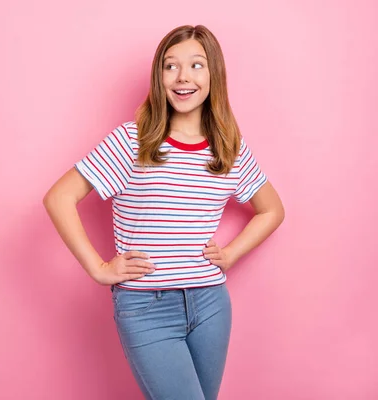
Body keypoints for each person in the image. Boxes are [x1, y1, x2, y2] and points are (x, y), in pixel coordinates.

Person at [43, 24, 285, 400]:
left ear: (213, 75)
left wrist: (232, 253)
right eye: (170, 66)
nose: (182, 76)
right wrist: (98, 268)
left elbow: (271, 210)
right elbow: (59, 198)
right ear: (159, 77)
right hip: (145, 306)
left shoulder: (229, 149)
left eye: (196, 65)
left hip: (210, 303)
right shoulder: (131, 140)